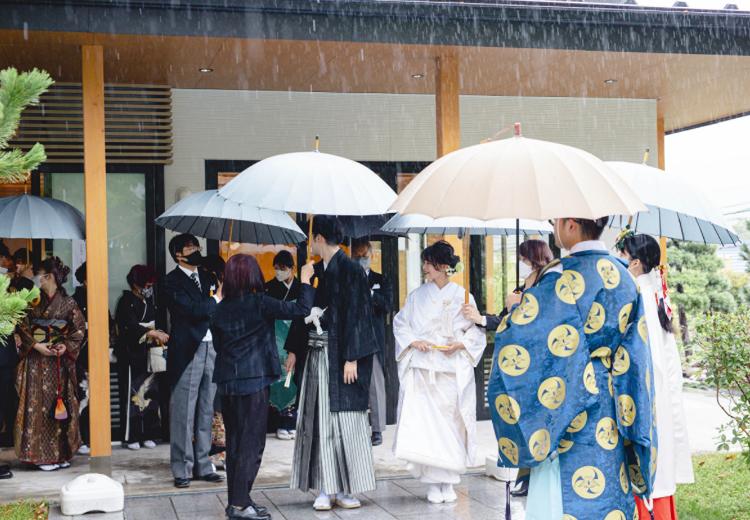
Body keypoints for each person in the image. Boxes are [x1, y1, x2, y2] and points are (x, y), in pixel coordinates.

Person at [487, 217, 657, 519]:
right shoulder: (623, 275)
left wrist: (513, 314)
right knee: (606, 488)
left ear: (570, 225)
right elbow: (635, 356)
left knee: (560, 495)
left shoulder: (560, 276)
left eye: (556, 222)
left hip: (564, 401)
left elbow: (525, 344)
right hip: (610, 407)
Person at [211, 254, 315, 520]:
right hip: (254, 381)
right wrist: (305, 281)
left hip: (227, 382)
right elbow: (301, 310)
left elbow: (219, 345)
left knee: (235, 444)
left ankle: (239, 500)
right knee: (252, 445)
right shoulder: (261, 303)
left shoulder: (220, 308)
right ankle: (239, 504)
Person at [288, 216, 379, 511]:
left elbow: (359, 314)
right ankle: (325, 488)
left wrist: (352, 357)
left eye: (313, 237)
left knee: (346, 423)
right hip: (318, 356)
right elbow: (305, 311)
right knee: (320, 421)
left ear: (319, 239)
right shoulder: (318, 272)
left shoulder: (351, 269)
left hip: (341, 357)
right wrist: (294, 349)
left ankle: (346, 488)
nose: (311, 242)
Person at [392, 240, 486, 503]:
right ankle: (434, 482)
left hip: (451, 369)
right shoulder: (416, 296)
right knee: (428, 427)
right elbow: (401, 324)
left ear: (444, 266)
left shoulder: (463, 296)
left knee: (451, 425)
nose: (425, 268)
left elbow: (475, 332)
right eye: (424, 263)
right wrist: (413, 341)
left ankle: (449, 481)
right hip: (424, 368)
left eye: (429, 264)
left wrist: (461, 343)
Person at [461, 238, 553, 497]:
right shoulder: (521, 286)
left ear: (535, 259)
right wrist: (479, 319)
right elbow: (504, 320)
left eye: (524, 259)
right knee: (518, 419)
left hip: (537, 365)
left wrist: (516, 308)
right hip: (515, 367)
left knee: (536, 420)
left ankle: (535, 474)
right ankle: (523, 473)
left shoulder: (547, 286)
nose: (522, 264)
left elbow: (536, 324)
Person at [617, 232, 694, 520]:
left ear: (636, 263)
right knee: (658, 472)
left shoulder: (640, 297)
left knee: (647, 470)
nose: (622, 262)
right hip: (661, 395)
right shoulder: (656, 293)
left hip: (647, 396)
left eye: (625, 256)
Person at [163, 233, 223, 488]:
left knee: (206, 409)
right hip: (187, 351)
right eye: (191, 248)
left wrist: (216, 297)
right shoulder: (171, 282)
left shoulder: (209, 277)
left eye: (198, 246)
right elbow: (193, 311)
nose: (197, 251)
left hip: (212, 348)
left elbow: (215, 310)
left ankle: (203, 464)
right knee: (183, 412)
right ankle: (182, 468)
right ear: (178, 254)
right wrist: (215, 299)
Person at [15, 257, 86, 471]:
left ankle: (62, 453)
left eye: (39, 274)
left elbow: (79, 330)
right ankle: (40, 456)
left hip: (58, 362)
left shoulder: (69, 303)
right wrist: (36, 346)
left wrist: (65, 346)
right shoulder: (32, 301)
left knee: (61, 405)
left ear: (49, 277)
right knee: (38, 407)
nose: (36, 278)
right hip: (37, 362)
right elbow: (22, 326)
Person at [115, 265, 169, 451]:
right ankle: (132, 436)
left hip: (149, 352)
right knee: (134, 394)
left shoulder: (150, 303)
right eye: (146, 284)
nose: (149, 288)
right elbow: (128, 327)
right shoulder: (125, 302)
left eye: (150, 284)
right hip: (132, 354)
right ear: (136, 285)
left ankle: (150, 432)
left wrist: (157, 333)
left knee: (151, 393)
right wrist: (150, 332)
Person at [351, 239, 393, 447]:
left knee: (375, 386)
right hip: (353, 338)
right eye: (358, 258)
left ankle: (377, 429)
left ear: (372, 256)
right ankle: (355, 427)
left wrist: (370, 294)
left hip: (374, 338)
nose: (361, 261)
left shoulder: (380, 279)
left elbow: (387, 305)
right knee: (352, 384)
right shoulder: (347, 279)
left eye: (364, 257)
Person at [265, 250, 302, 441]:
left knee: (292, 379)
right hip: (276, 340)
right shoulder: (269, 287)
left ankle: (291, 422)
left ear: (292, 269)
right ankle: (280, 423)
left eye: (283, 268)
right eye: (277, 269)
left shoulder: (302, 288)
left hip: (295, 338)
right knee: (279, 380)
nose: (279, 272)